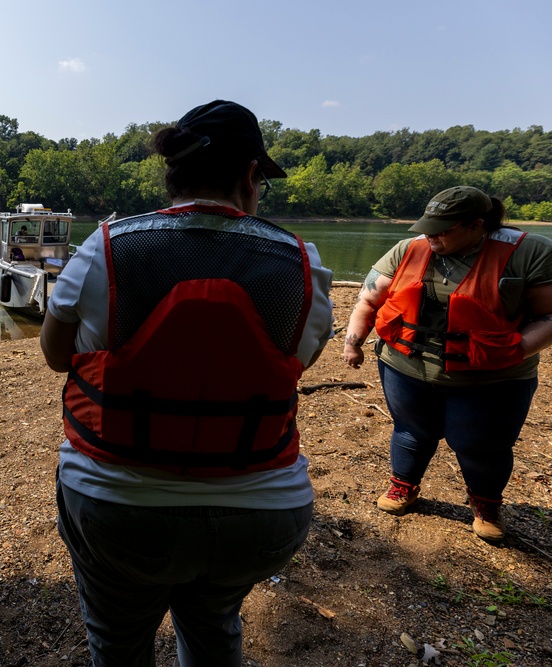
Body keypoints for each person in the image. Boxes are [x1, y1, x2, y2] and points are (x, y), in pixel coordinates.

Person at [40, 100, 334, 667]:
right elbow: (297, 362)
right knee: (213, 626)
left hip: (116, 506)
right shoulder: (304, 262)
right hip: (262, 513)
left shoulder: (105, 246)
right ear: (250, 175)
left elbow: (55, 357)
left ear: (170, 172)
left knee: (117, 642)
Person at [343, 186, 552, 542]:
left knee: (480, 445)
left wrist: (514, 351)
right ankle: (403, 486)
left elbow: (548, 317)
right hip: (406, 368)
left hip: (490, 379)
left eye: (442, 229)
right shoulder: (411, 248)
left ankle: (486, 504)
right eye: (428, 227)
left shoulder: (530, 253)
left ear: (476, 226)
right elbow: (369, 298)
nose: (431, 236)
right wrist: (354, 343)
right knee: (410, 430)